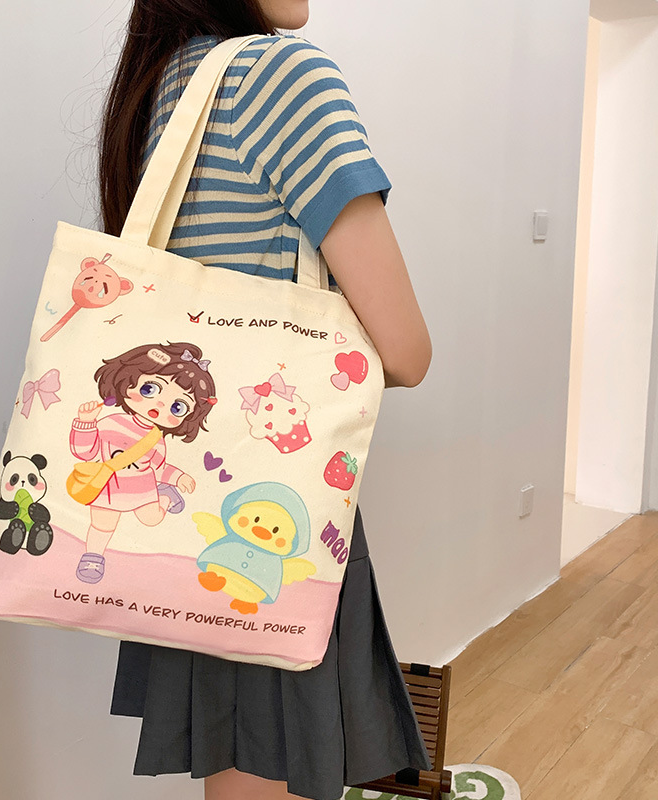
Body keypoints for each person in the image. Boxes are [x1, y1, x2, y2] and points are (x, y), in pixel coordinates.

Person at [99, 1, 433, 798]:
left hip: (189, 515)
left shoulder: (162, 86)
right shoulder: (281, 75)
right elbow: (406, 351)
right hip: (274, 522)